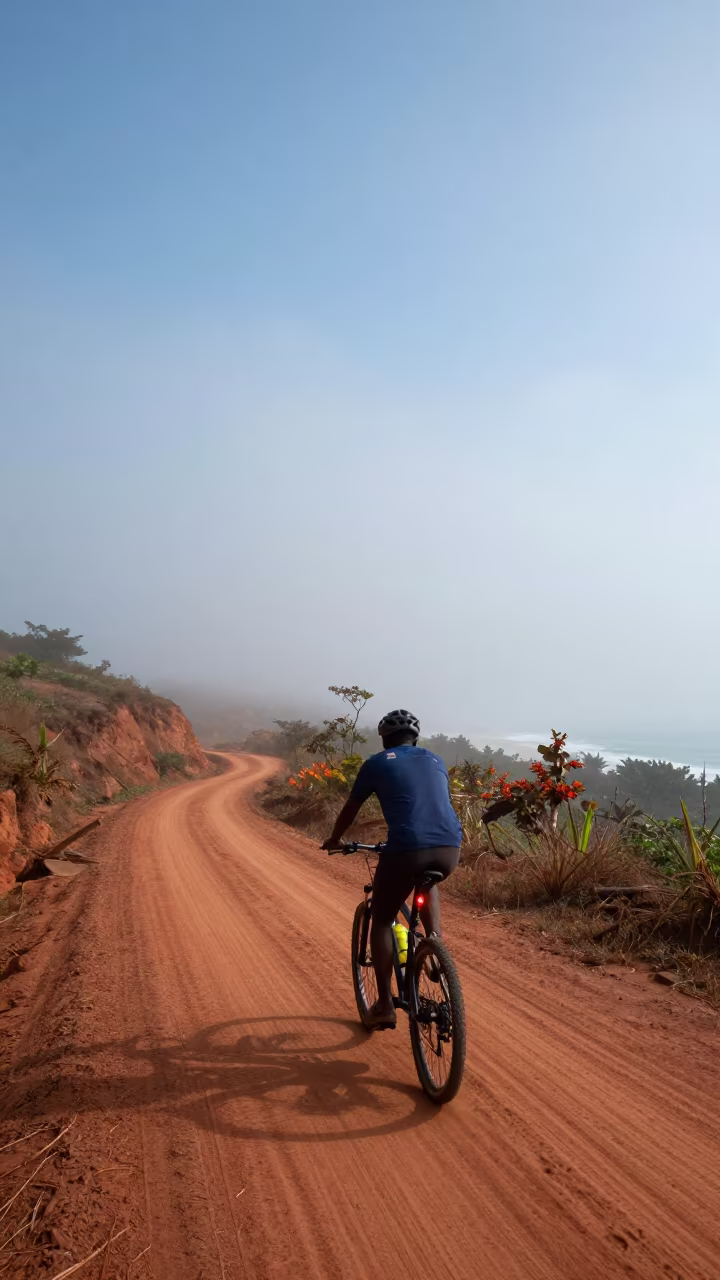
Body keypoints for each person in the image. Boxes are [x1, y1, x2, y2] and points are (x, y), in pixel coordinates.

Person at [323, 709, 462, 1030]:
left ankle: (385, 1004)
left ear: (384, 739)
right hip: (449, 848)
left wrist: (335, 839)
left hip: (406, 849)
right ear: (416, 737)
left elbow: (351, 807)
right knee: (428, 883)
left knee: (383, 919)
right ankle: (434, 944)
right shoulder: (435, 761)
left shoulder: (375, 764)